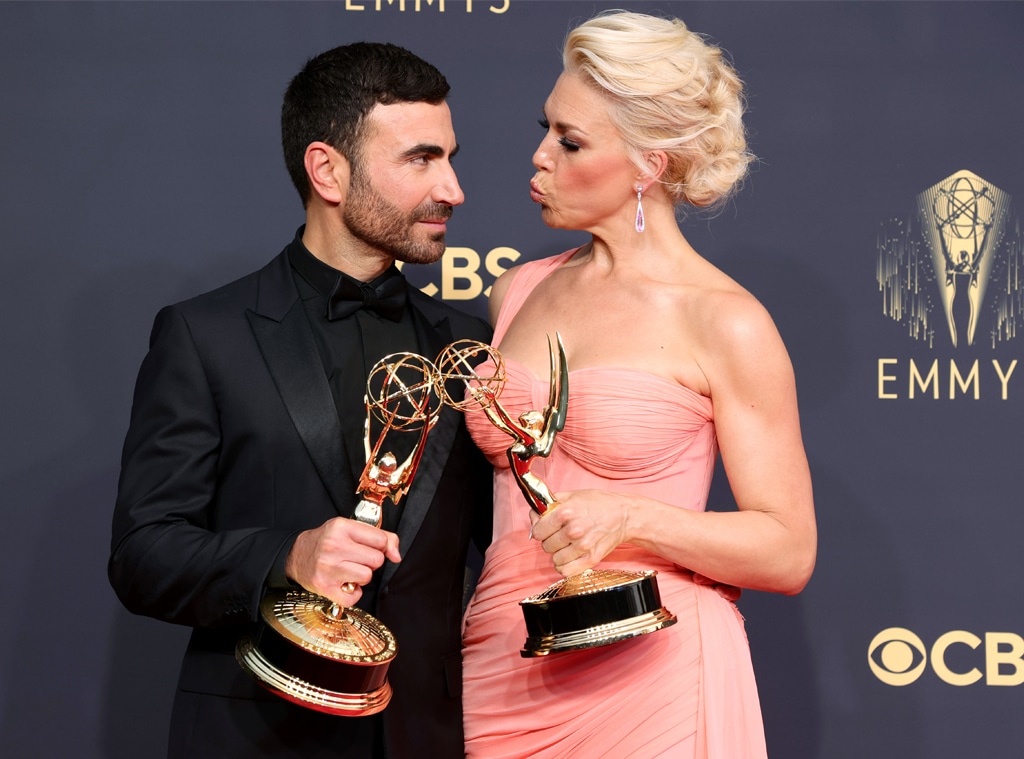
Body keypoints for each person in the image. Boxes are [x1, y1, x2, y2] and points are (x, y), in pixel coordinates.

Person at [108, 42, 492, 759]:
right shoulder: (205, 335)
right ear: (328, 171)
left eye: (450, 156)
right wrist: (284, 555)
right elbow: (142, 554)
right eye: (420, 159)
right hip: (254, 734)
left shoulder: (469, 346)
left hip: (425, 736)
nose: (453, 187)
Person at [460, 11, 816, 758]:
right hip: (504, 666)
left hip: (652, 674)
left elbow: (787, 549)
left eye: (571, 141)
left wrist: (632, 519)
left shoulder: (726, 322)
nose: (539, 156)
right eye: (547, 129)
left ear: (649, 164)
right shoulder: (517, 291)